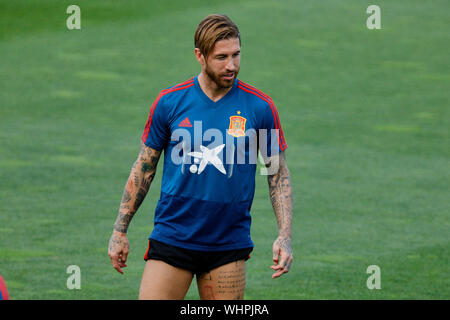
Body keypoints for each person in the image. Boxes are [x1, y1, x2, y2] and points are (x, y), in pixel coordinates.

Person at [108, 14, 293, 300]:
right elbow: (144, 167)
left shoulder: (259, 107)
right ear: (200, 55)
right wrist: (120, 230)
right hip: (173, 236)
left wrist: (284, 235)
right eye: (221, 57)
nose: (231, 65)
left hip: (227, 244)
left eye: (236, 55)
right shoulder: (170, 102)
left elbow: (277, 174)